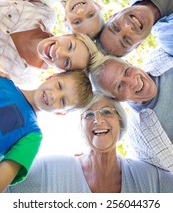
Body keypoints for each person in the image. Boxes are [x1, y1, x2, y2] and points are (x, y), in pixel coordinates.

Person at [4, 92, 173, 193]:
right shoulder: (49, 169)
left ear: (120, 121)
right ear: (82, 126)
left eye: (106, 112)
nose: (98, 120)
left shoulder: (149, 178)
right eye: (89, 115)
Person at [0, 69, 93, 192]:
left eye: (63, 101)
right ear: (52, 76)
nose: (54, 95)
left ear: (61, 113)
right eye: (59, 86)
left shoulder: (33, 136)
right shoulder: (4, 81)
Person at [89, 48, 173, 172]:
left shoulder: (162, 55)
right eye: (120, 86)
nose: (133, 82)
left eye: (127, 71)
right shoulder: (142, 140)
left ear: (130, 63)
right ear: (117, 99)